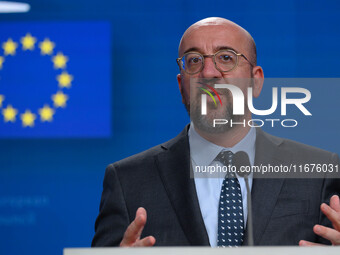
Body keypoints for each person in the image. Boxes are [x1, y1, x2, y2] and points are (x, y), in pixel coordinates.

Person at [92, 17, 340, 247]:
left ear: (256, 81)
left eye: (226, 58)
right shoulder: (127, 181)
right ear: (181, 86)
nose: (208, 73)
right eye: (194, 60)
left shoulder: (319, 172)